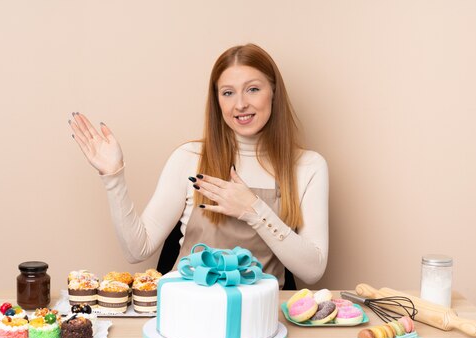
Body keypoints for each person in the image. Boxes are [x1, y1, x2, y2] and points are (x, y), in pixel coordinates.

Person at [68, 43, 328, 288]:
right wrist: (113, 176)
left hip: (260, 322)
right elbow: (137, 250)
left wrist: (254, 210)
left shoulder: (308, 167)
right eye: (228, 93)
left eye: (253, 89)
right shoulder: (188, 157)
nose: (240, 104)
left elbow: (313, 271)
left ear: (274, 92)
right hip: (185, 317)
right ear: (217, 101)